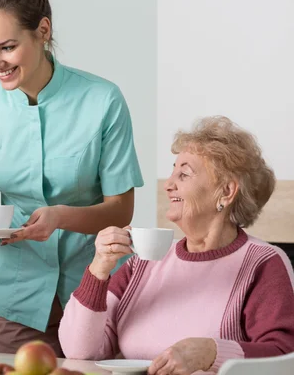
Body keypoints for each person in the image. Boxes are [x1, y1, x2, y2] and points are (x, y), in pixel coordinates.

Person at [0, 0, 143, 356]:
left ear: (43, 30)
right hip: (18, 297)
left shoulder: (102, 100)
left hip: (100, 289)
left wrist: (59, 217)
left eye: (7, 47)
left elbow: (122, 209)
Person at [59, 116, 294, 374]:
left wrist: (212, 353)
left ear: (226, 192)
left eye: (184, 174)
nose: (168, 185)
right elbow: (79, 352)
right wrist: (98, 269)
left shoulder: (262, 263)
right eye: (172, 172)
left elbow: (282, 355)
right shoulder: (143, 262)